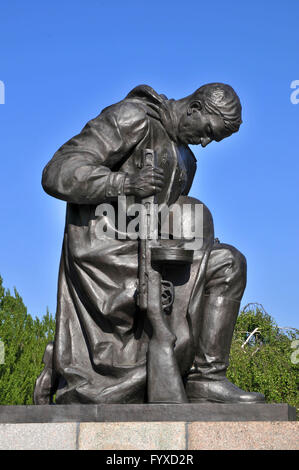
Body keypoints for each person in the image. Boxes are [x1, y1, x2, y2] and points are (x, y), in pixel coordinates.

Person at [34, 83, 265, 404]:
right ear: (195, 108)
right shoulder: (133, 117)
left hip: (155, 252)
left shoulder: (187, 158)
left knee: (228, 263)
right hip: (106, 257)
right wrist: (124, 182)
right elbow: (58, 172)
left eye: (214, 139)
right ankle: (77, 365)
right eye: (209, 131)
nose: (206, 142)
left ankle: (206, 377)